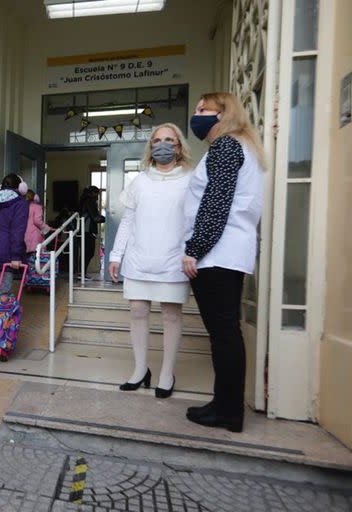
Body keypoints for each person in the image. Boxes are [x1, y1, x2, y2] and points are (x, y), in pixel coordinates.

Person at [182, 92, 265, 433]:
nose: (197, 114)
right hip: (227, 253)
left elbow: (216, 205)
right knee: (226, 333)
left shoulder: (227, 147)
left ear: (223, 113)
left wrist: (194, 249)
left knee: (224, 334)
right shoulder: (239, 147)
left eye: (204, 110)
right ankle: (224, 405)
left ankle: (228, 411)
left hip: (216, 254)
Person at [108, 123, 194, 399]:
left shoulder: (192, 179)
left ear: (179, 147)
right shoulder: (140, 181)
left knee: (171, 315)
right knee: (137, 312)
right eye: (157, 140)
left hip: (174, 259)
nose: (163, 145)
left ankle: (167, 373)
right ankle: (140, 369)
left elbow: (195, 222)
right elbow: (128, 221)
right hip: (139, 258)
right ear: (150, 147)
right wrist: (115, 255)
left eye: (169, 140)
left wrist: (194, 253)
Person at [79, 186, 106, 278]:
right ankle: (82, 273)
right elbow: (95, 218)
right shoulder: (89, 201)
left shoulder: (86, 200)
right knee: (89, 253)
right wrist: (107, 219)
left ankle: (82, 273)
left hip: (85, 231)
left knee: (87, 253)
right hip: (87, 230)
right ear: (93, 193)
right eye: (97, 194)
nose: (98, 196)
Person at [24, 189, 51, 255]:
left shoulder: (22, 207)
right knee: (35, 259)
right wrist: (46, 228)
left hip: (24, 236)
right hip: (34, 237)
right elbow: (37, 221)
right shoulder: (37, 207)